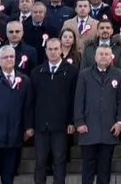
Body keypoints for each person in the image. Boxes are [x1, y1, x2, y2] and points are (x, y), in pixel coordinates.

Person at [0, 45, 35, 184]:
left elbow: (28, 106)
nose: (9, 59)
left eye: (11, 56)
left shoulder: (24, 80)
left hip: (14, 134)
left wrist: (28, 127)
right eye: (5, 57)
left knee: (9, 173)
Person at [74, 45, 121, 184]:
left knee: (105, 169)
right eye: (101, 54)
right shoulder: (84, 74)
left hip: (109, 128)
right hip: (88, 128)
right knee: (88, 170)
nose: (103, 56)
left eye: (106, 54)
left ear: (111, 57)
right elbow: (79, 99)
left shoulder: (119, 75)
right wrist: (79, 121)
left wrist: (120, 121)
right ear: (95, 57)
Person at [32, 39, 78, 184]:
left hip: (61, 125)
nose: (53, 52)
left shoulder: (72, 71)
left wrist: (71, 121)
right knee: (40, 161)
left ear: (61, 51)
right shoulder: (37, 72)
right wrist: (30, 125)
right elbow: (31, 101)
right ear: (45, 51)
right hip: (41, 125)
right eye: (50, 49)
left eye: (56, 49)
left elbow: (74, 99)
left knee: (59, 160)